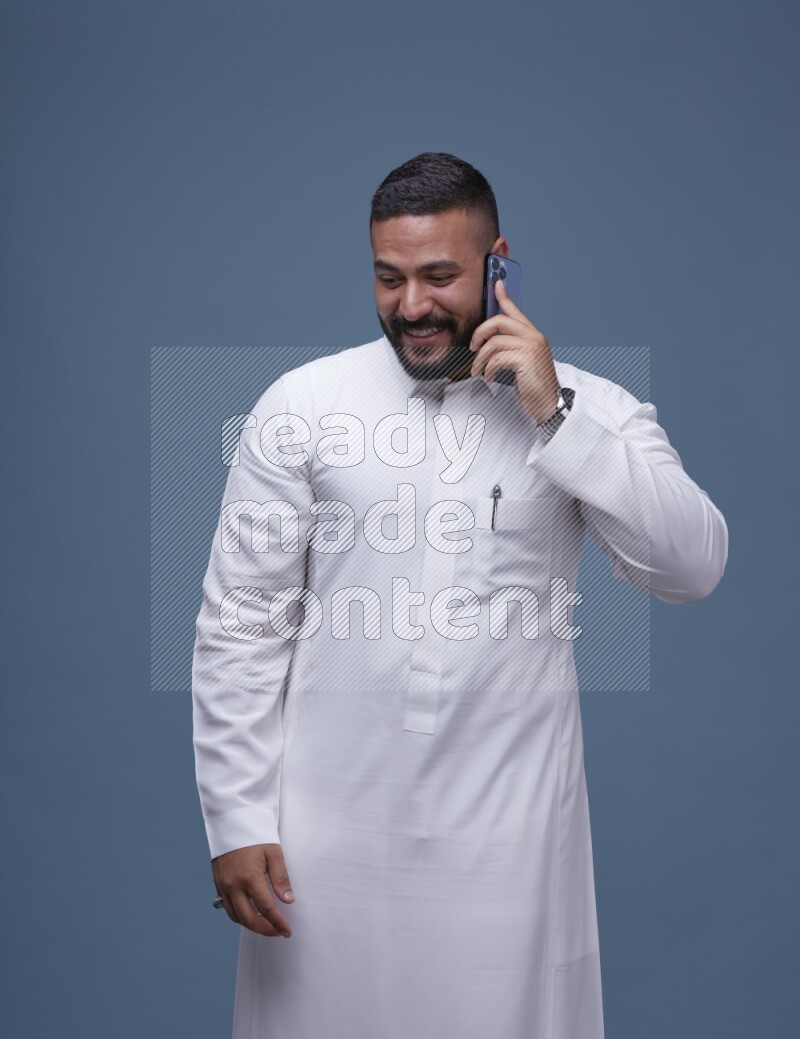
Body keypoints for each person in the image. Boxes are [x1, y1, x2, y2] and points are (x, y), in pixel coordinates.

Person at [191, 152, 728, 1039]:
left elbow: (691, 566)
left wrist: (555, 416)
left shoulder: (592, 407)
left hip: (510, 848)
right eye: (389, 276)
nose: (412, 306)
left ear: (498, 261)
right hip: (324, 845)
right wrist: (235, 817)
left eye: (439, 275)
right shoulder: (301, 404)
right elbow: (241, 623)